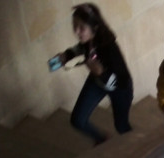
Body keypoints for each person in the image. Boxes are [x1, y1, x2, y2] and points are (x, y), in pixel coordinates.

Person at [55, 3, 132, 145]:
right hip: (97, 81)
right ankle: (102, 139)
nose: (77, 32)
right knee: (77, 120)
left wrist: (101, 72)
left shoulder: (110, 49)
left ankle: (136, 146)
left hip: (119, 89)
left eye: (81, 28)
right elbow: (81, 48)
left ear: (94, 28)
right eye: (74, 26)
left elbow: (120, 80)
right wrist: (67, 55)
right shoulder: (88, 40)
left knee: (121, 126)